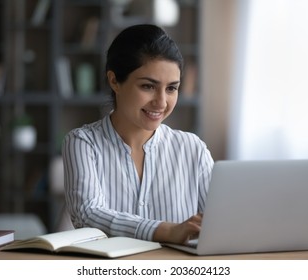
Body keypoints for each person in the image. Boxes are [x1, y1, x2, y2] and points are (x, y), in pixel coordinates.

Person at [62, 24, 214, 245]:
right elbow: (88, 214)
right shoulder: (82, 143)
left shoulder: (193, 149)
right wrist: (166, 231)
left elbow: (220, 222)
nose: (161, 102)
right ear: (114, 81)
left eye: (171, 88)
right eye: (148, 86)